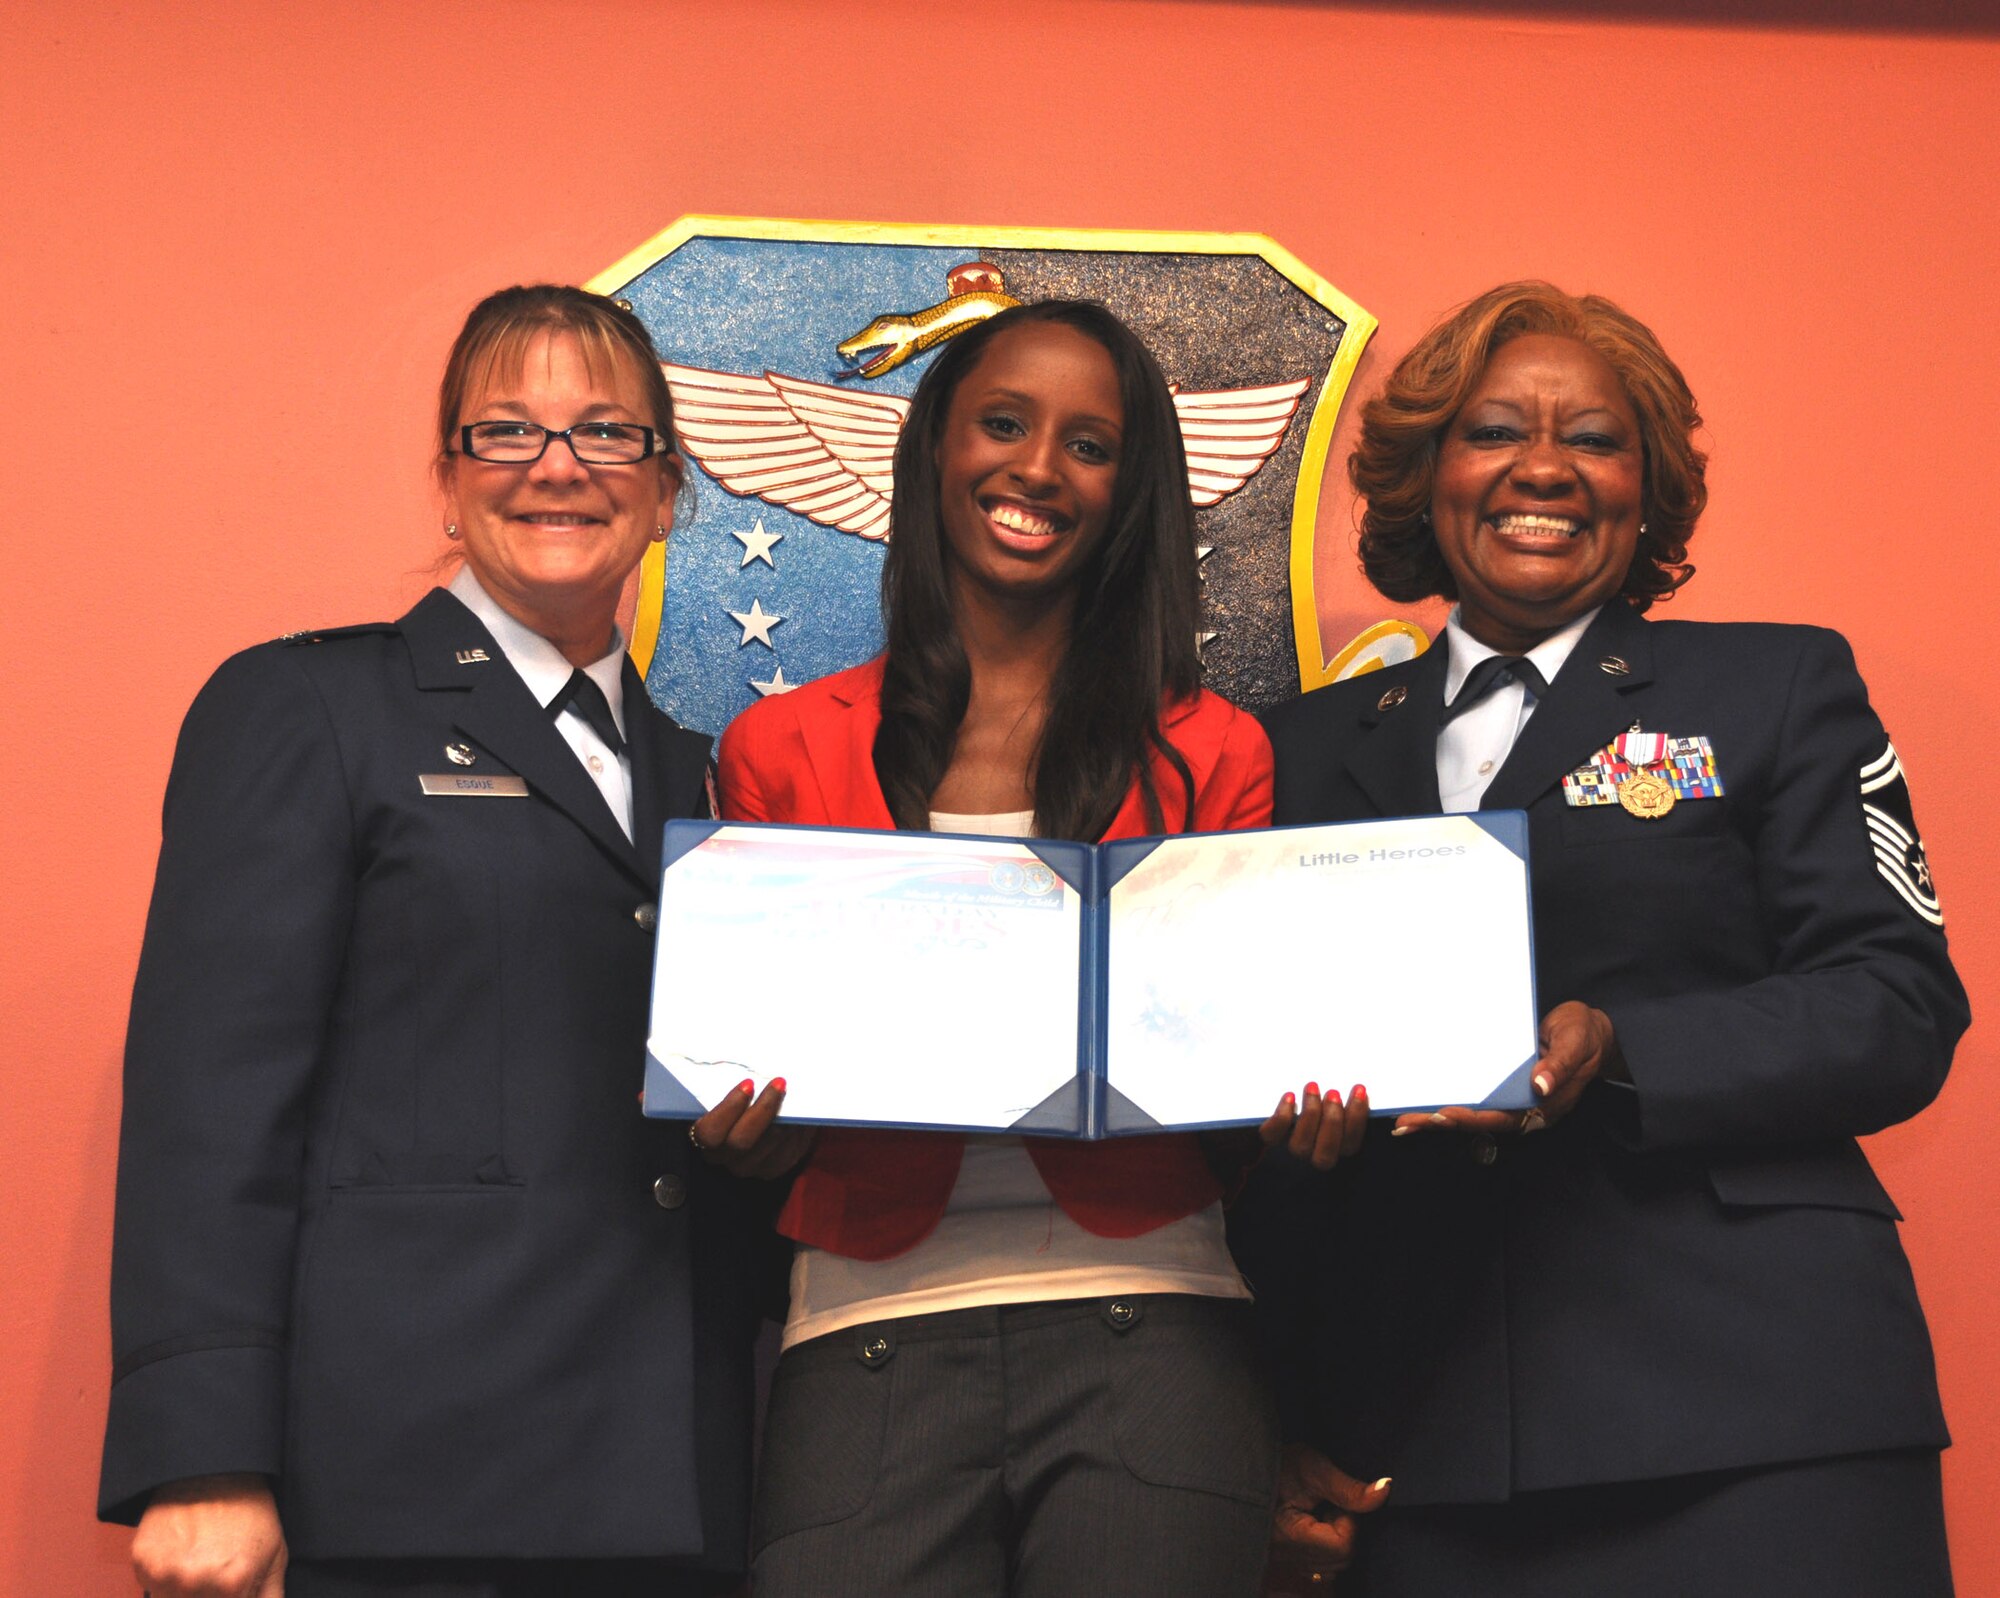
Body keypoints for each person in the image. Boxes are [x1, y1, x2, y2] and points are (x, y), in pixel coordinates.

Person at [1243, 281, 1969, 1596]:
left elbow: (1897, 1002)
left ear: (1647, 490)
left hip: (1761, 1416)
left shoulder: (1776, 687)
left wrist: (1621, 1048)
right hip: (1416, 1443)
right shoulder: (1292, 752)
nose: (1542, 468)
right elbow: (1249, 1114)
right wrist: (1275, 1408)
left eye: (1592, 437)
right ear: (1426, 474)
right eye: (1493, 431)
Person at [100, 285, 776, 1598]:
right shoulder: (308, 706)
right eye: (508, 431)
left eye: (607, 434)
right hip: (405, 1480)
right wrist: (201, 1456)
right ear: (447, 479)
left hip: (671, 1483)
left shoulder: (711, 780)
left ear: (670, 486)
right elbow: (211, 1101)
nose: (559, 467)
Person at [692, 299, 1361, 1597]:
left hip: (1159, 1334)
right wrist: (747, 1136)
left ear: (1135, 491)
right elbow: (760, 1066)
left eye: (1091, 444)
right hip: (862, 1336)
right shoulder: (778, 750)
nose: (1040, 468)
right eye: (1004, 423)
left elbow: (1226, 1054)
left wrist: (1298, 1107)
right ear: (935, 444)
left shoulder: (1218, 752)